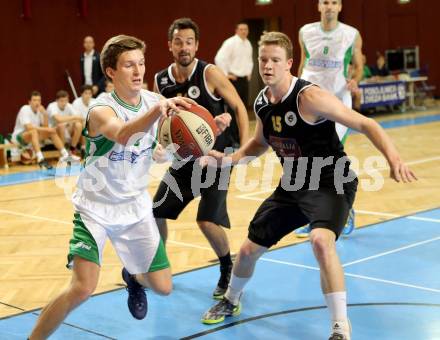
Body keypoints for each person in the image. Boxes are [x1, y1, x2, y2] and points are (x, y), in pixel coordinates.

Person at [201, 31, 416, 340]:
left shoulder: (309, 97)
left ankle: (341, 327)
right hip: (293, 185)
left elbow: (366, 123)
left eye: (275, 60)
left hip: (332, 181)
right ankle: (231, 300)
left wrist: (393, 158)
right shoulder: (263, 102)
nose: (268, 66)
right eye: (263, 60)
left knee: (320, 241)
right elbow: (258, 145)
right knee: (247, 250)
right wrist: (227, 159)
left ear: (290, 63)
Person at [153, 18, 249, 300]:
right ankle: (160, 266)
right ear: (170, 45)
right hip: (185, 159)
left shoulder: (210, 74)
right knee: (156, 211)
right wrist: (160, 146)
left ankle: (226, 267)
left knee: (206, 220)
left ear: (197, 45)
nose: (184, 47)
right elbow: (164, 124)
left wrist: (242, 152)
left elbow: (240, 108)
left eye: (189, 42)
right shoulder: (161, 80)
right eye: (179, 42)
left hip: (218, 158)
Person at [296, 0, 364, 236]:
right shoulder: (305, 31)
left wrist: (355, 79)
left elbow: (359, 62)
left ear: (340, 6)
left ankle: (344, 209)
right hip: (309, 104)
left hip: (336, 104)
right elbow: (303, 63)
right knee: (307, 161)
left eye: (334, 2)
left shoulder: (351, 34)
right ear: (318, 6)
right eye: (325, 2)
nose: (329, 6)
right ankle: (315, 216)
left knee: (330, 158)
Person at [11, 91, 75, 170]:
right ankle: (40, 159)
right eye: (34, 100)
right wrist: (46, 129)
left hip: (33, 137)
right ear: (29, 102)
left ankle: (65, 155)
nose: (37, 102)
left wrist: (45, 114)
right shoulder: (25, 109)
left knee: (51, 132)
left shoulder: (40, 111)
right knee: (33, 131)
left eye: (38, 100)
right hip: (20, 137)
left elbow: (45, 127)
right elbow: (29, 127)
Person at [215, 21, 253, 148]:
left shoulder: (248, 44)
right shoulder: (230, 42)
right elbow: (219, 58)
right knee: (233, 110)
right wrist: (226, 74)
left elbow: (249, 60)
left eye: (246, 29)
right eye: (241, 29)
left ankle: (241, 138)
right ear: (236, 30)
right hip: (233, 80)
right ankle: (232, 140)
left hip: (244, 80)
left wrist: (249, 72)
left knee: (242, 109)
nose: (244, 31)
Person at [47, 90, 84, 155]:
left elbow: (80, 118)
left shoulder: (69, 105)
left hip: (67, 129)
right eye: (61, 101)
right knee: (61, 125)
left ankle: (72, 149)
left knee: (79, 125)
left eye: (66, 100)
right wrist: (73, 118)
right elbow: (58, 119)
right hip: (53, 132)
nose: (64, 103)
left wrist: (71, 120)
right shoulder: (52, 106)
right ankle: (63, 152)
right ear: (57, 101)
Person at [72, 85, 95, 157]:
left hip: (91, 126)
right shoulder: (76, 102)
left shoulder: (95, 102)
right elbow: (77, 118)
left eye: (89, 93)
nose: (88, 95)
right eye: (86, 93)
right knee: (82, 124)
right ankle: (82, 148)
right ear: (81, 94)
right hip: (76, 127)